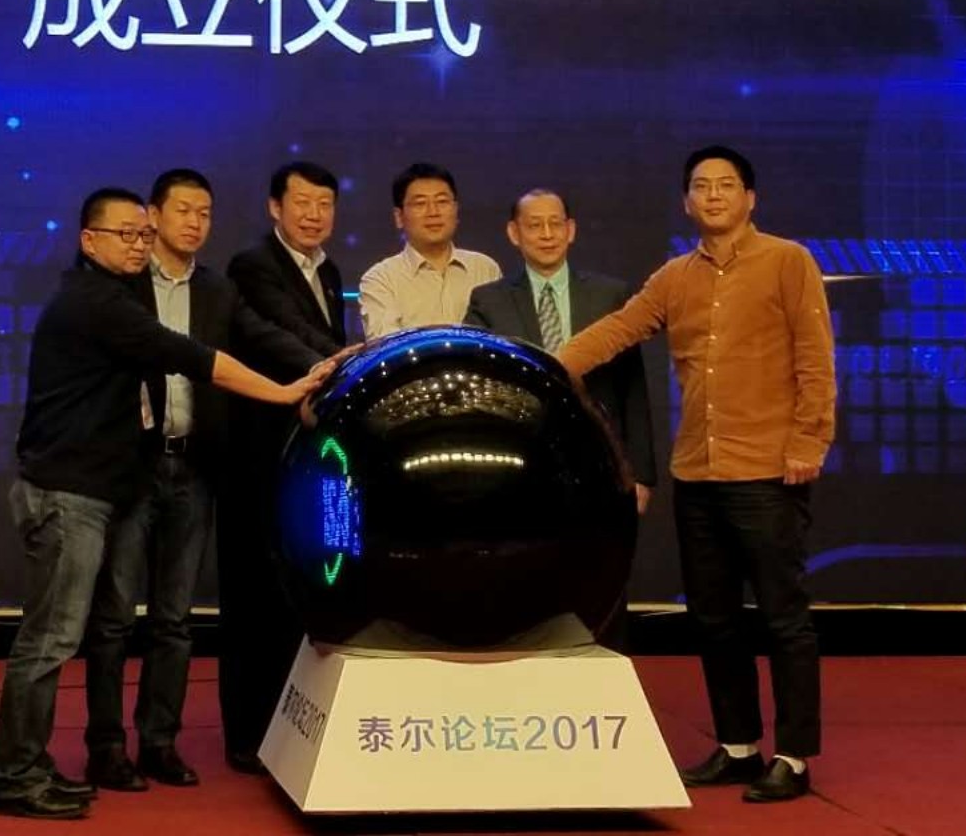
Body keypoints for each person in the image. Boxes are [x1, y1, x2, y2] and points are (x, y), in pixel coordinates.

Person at [0, 187, 329, 821]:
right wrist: (284, 394)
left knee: (96, 631)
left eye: (141, 235)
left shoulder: (117, 294)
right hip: (68, 494)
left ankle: (40, 765)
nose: (137, 245)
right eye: (126, 235)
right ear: (88, 240)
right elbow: (192, 357)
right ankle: (18, 775)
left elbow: (233, 339)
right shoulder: (97, 303)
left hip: (99, 488)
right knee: (52, 640)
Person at [556, 147, 836, 805]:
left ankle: (794, 757)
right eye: (701, 186)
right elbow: (619, 329)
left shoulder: (788, 261)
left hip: (768, 470)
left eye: (726, 185)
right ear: (686, 202)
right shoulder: (674, 276)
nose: (713, 195)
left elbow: (815, 360)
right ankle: (738, 748)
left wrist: (809, 440)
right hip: (698, 472)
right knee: (713, 618)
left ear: (749, 198)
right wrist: (544, 365)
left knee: (783, 618)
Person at [81, 170, 323, 793]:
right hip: (131, 468)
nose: (195, 223)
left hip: (193, 468)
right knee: (114, 618)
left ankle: (159, 742)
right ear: (154, 217)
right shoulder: (121, 285)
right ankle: (106, 747)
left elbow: (263, 337)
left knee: (174, 619)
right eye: (183, 210)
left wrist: (323, 366)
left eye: (206, 213)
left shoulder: (217, 290)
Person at [221, 159, 348, 772]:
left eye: (324, 204)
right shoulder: (252, 265)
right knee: (253, 597)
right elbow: (282, 332)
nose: (313, 215)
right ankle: (247, 736)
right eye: (302, 203)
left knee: (298, 594)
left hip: (304, 457)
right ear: (275, 207)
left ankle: (289, 731)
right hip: (256, 454)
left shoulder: (330, 271)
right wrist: (344, 361)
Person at [464, 188, 656, 517]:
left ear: (571, 230)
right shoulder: (488, 301)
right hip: (519, 465)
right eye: (535, 225)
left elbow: (632, 388)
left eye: (555, 223)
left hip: (600, 461)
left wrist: (640, 474)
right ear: (514, 233)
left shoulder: (610, 295)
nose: (547, 234)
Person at [357, 162, 501, 337]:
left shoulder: (485, 269)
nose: (433, 212)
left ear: (456, 210)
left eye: (442, 201)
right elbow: (388, 346)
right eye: (420, 203)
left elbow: (500, 338)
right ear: (399, 217)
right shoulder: (380, 279)